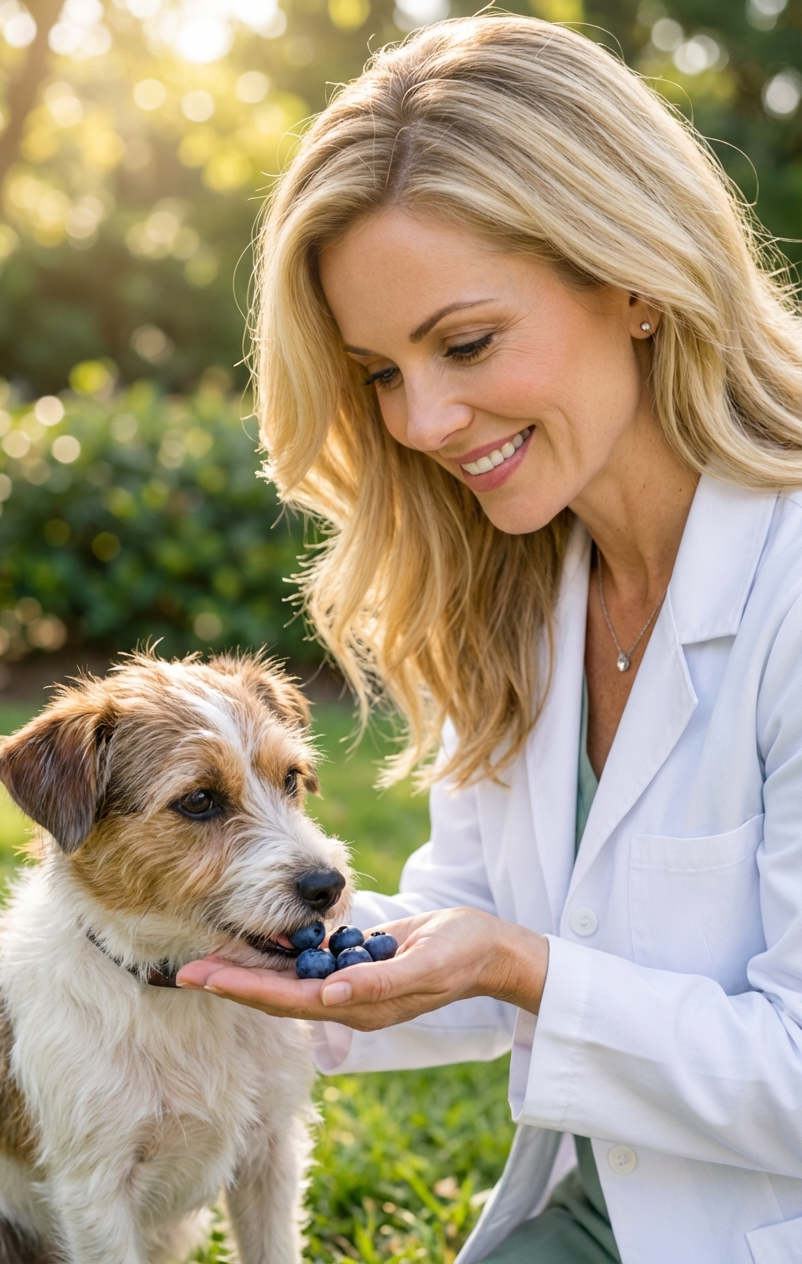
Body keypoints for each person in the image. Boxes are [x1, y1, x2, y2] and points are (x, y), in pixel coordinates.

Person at [177, 15, 802, 1263]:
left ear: (631, 278)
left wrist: (523, 969)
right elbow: (454, 931)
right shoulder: (516, 587)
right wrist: (176, 973)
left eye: (462, 344)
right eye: (377, 373)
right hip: (587, 1218)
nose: (422, 420)